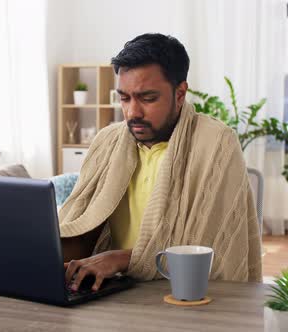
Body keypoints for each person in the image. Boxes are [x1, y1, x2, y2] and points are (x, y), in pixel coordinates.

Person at [59, 33, 262, 292]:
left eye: (148, 98)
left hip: (183, 294)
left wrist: (121, 259)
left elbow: (207, 250)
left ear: (180, 94)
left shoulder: (216, 142)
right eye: (124, 98)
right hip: (114, 290)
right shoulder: (107, 141)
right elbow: (83, 223)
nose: (133, 112)